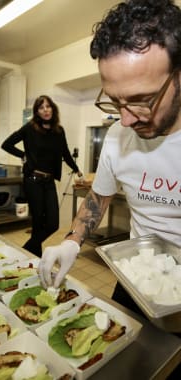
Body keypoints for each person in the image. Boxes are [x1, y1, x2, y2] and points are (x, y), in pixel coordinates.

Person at [38, 0, 181, 311]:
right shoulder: (118, 136)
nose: (126, 120)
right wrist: (72, 241)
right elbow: (98, 198)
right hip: (138, 277)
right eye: (115, 102)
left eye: (142, 100)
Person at [1, 95, 82, 257]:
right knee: (38, 223)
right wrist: (24, 155)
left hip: (49, 181)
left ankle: (23, 251)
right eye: (41, 107)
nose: (45, 110)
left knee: (53, 224)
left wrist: (76, 169)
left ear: (53, 108)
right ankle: (34, 258)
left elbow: (65, 152)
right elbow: (6, 144)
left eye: (48, 106)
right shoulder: (29, 128)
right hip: (33, 180)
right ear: (37, 112)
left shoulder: (58, 131)